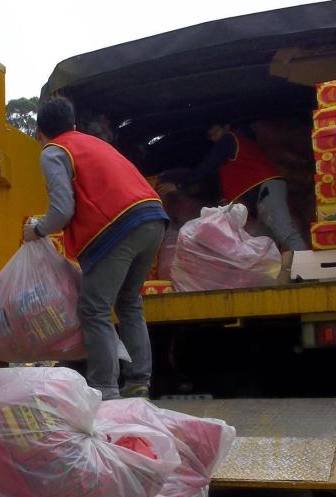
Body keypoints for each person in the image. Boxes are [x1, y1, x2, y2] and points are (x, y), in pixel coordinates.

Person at [23, 95, 168, 400]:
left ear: (39, 131)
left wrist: (36, 229)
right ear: (73, 124)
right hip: (153, 216)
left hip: (118, 228)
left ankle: (105, 389)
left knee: (94, 309)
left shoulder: (54, 151)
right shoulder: (93, 143)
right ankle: (139, 381)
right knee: (128, 303)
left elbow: (62, 209)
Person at [158, 124, 309, 254]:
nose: (213, 137)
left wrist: (179, 185)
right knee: (267, 239)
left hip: (266, 188)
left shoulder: (229, 139)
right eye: (210, 135)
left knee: (284, 231)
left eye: (215, 131)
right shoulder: (229, 156)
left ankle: (308, 270)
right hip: (260, 194)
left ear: (226, 127)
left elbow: (206, 167)